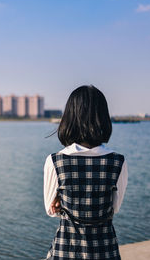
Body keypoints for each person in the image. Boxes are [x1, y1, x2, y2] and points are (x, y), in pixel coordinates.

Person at [44, 85, 128, 260]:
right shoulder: (118, 161)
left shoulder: (55, 161)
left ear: (69, 118)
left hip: (66, 251)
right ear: (104, 118)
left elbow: (50, 211)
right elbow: (115, 208)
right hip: (105, 251)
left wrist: (61, 200)